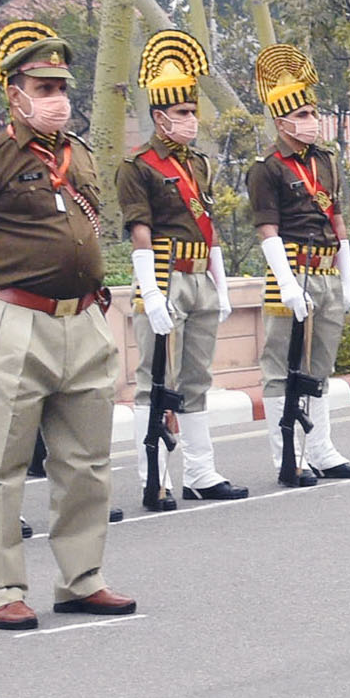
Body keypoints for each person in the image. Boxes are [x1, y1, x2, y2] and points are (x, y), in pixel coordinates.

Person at [0, 23, 134, 630]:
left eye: (61, 86)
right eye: (43, 86)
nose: (57, 97)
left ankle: (82, 579)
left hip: (83, 320)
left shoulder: (77, 153)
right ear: (14, 93)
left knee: (86, 462)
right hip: (16, 318)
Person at [116, 29, 247, 497]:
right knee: (154, 382)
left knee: (196, 379)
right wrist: (149, 291)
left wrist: (222, 285)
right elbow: (140, 231)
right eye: (182, 113)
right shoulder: (139, 166)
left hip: (199, 279)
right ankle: (155, 478)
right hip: (165, 277)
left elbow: (207, 226)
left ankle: (200, 472)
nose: (191, 120)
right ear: (159, 116)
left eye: (193, 112)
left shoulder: (198, 165)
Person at [247, 46, 350, 474]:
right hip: (291, 271)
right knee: (281, 365)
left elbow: (337, 220)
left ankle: (321, 449)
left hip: (324, 272)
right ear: (282, 122)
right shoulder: (266, 168)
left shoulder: (326, 162)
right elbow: (268, 230)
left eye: (312, 112)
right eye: (301, 114)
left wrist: (347, 277)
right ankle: (286, 455)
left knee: (321, 365)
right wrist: (284, 282)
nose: (310, 121)